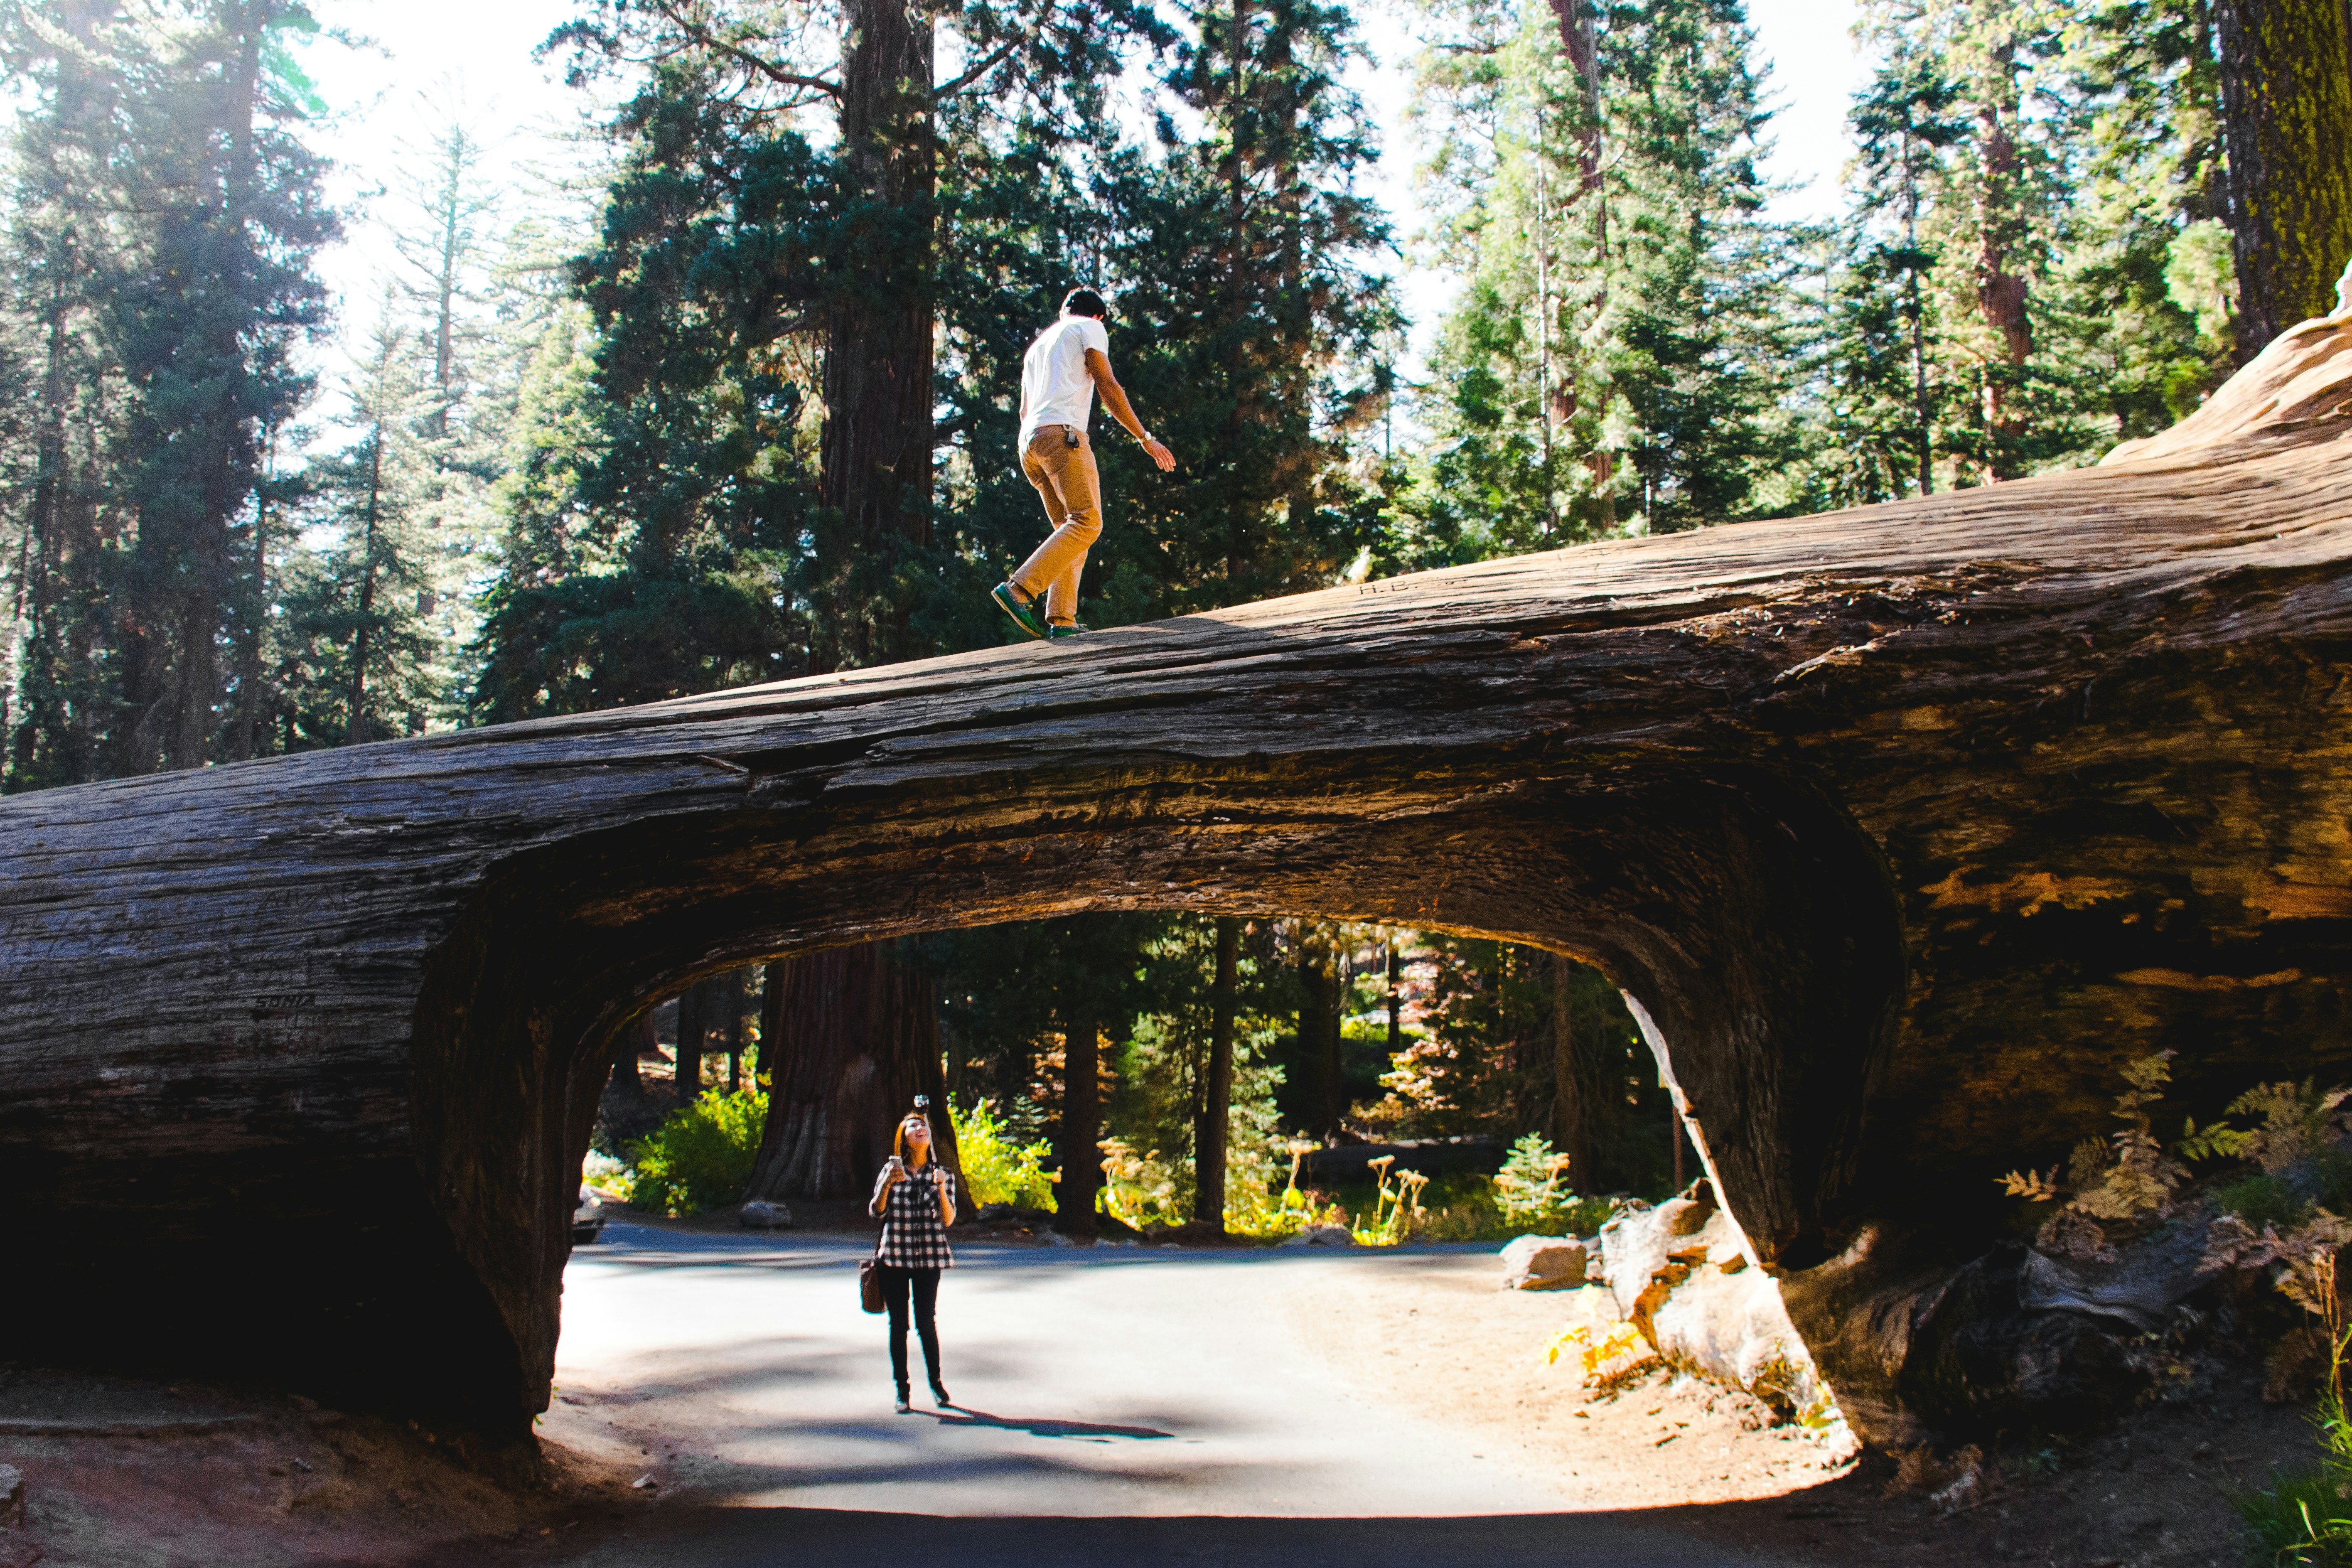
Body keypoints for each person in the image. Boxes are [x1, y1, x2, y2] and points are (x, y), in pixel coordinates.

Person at [991, 288, 1176, 640]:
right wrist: (1144, 437)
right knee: (1087, 523)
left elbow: (1023, 409)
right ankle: (1019, 590)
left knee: (1068, 528)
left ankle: (1062, 618)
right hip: (1063, 436)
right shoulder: (1088, 328)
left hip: (1029, 442)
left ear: (1064, 311)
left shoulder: (1037, 348)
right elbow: (1106, 382)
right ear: (1099, 317)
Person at [869, 1099, 958, 1412]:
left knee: (926, 1322)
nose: (919, 1128)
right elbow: (876, 1211)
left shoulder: (942, 1173)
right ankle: (902, 1391)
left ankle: (936, 1384)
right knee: (899, 1325)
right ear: (903, 1136)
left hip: (929, 1258)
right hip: (894, 1257)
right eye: (912, 1126)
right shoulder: (892, 1170)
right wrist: (886, 1187)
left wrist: (941, 1189)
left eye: (923, 1126)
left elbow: (948, 1220)